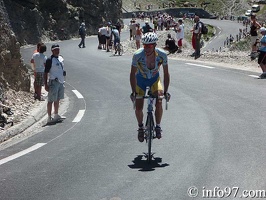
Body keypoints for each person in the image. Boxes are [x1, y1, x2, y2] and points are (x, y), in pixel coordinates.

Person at [130, 32, 170, 142]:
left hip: (154, 80)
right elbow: (132, 74)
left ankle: (158, 126)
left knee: (159, 100)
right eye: (145, 46)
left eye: (149, 46)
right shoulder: (137, 55)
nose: (147, 48)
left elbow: (166, 74)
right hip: (140, 81)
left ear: (155, 46)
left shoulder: (162, 55)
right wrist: (133, 92)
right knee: (138, 107)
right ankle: (140, 127)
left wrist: (165, 91)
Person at [44, 44, 66, 124]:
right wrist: (46, 84)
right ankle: (49, 117)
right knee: (51, 100)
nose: (57, 51)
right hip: (54, 82)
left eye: (58, 49)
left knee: (57, 99)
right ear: (52, 51)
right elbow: (45, 72)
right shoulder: (50, 60)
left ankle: (56, 114)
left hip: (60, 81)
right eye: (55, 49)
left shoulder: (60, 58)